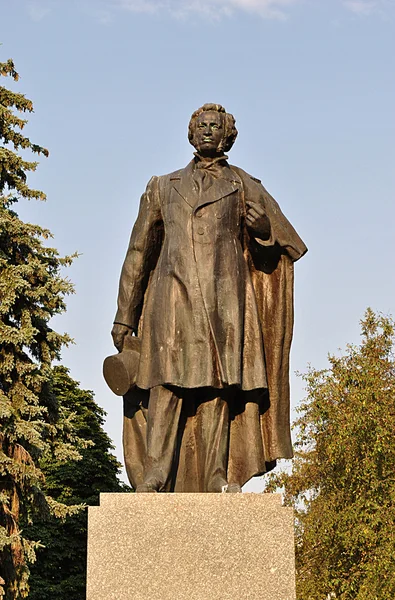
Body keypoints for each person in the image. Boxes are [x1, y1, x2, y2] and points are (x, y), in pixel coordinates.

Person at [111, 103, 307, 492]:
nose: (207, 131)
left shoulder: (243, 184)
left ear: (227, 135)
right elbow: (139, 252)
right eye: (201, 125)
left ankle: (217, 475)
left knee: (217, 389)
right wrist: (124, 316)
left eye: (215, 126)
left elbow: (285, 246)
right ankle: (155, 474)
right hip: (172, 298)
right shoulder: (162, 186)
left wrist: (264, 231)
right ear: (191, 132)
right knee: (165, 384)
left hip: (224, 303)